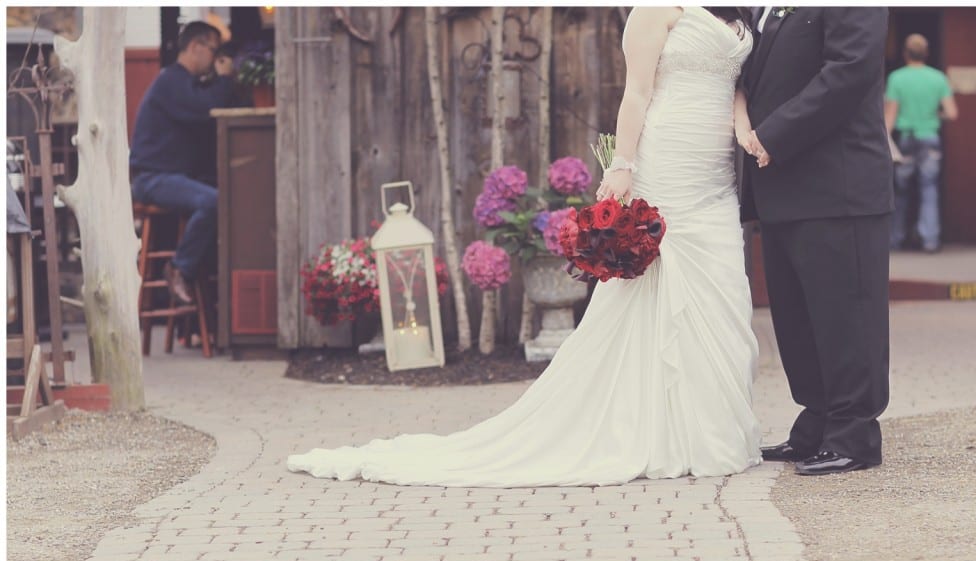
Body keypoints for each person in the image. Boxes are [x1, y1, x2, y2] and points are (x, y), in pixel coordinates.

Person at [288, 7, 762, 487]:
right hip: (670, 160)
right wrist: (622, 163)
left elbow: (734, 80)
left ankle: (710, 428)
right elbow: (637, 92)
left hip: (715, 172)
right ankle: (657, 429)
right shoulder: (654, 11)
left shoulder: (735, 12)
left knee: (719, 288)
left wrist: (741, 123)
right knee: (656, 293)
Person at [739, 7, 893, 475]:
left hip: (838, 186)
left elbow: (848, 71)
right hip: (782, 188)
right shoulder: (768, 10)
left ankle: (855, 435)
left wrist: (773, 135)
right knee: (798, 319)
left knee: (847, 316)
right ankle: (816, 424)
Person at [130, 21, 236, 304]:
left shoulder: (182, 82)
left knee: (222, 197)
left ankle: (206, 312)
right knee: (213, 201)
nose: (216, 59)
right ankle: (180, 268)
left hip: (167, 177)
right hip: (152, 179)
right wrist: (225, 79)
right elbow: (205, 109)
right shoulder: (171, 81)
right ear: (195, 47)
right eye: (213, 50)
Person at [885, 33, 958, 253]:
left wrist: (885, 141)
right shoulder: (938, 78)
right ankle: (930, 240)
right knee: (929, 189)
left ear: (905, 53)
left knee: (901, 191)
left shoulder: (897, 78)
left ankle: (895, 239)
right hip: (929, 138)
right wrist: (934, 114)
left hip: (906, 138)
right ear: (926, 54)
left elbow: (889, 117)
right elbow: (952, 113)